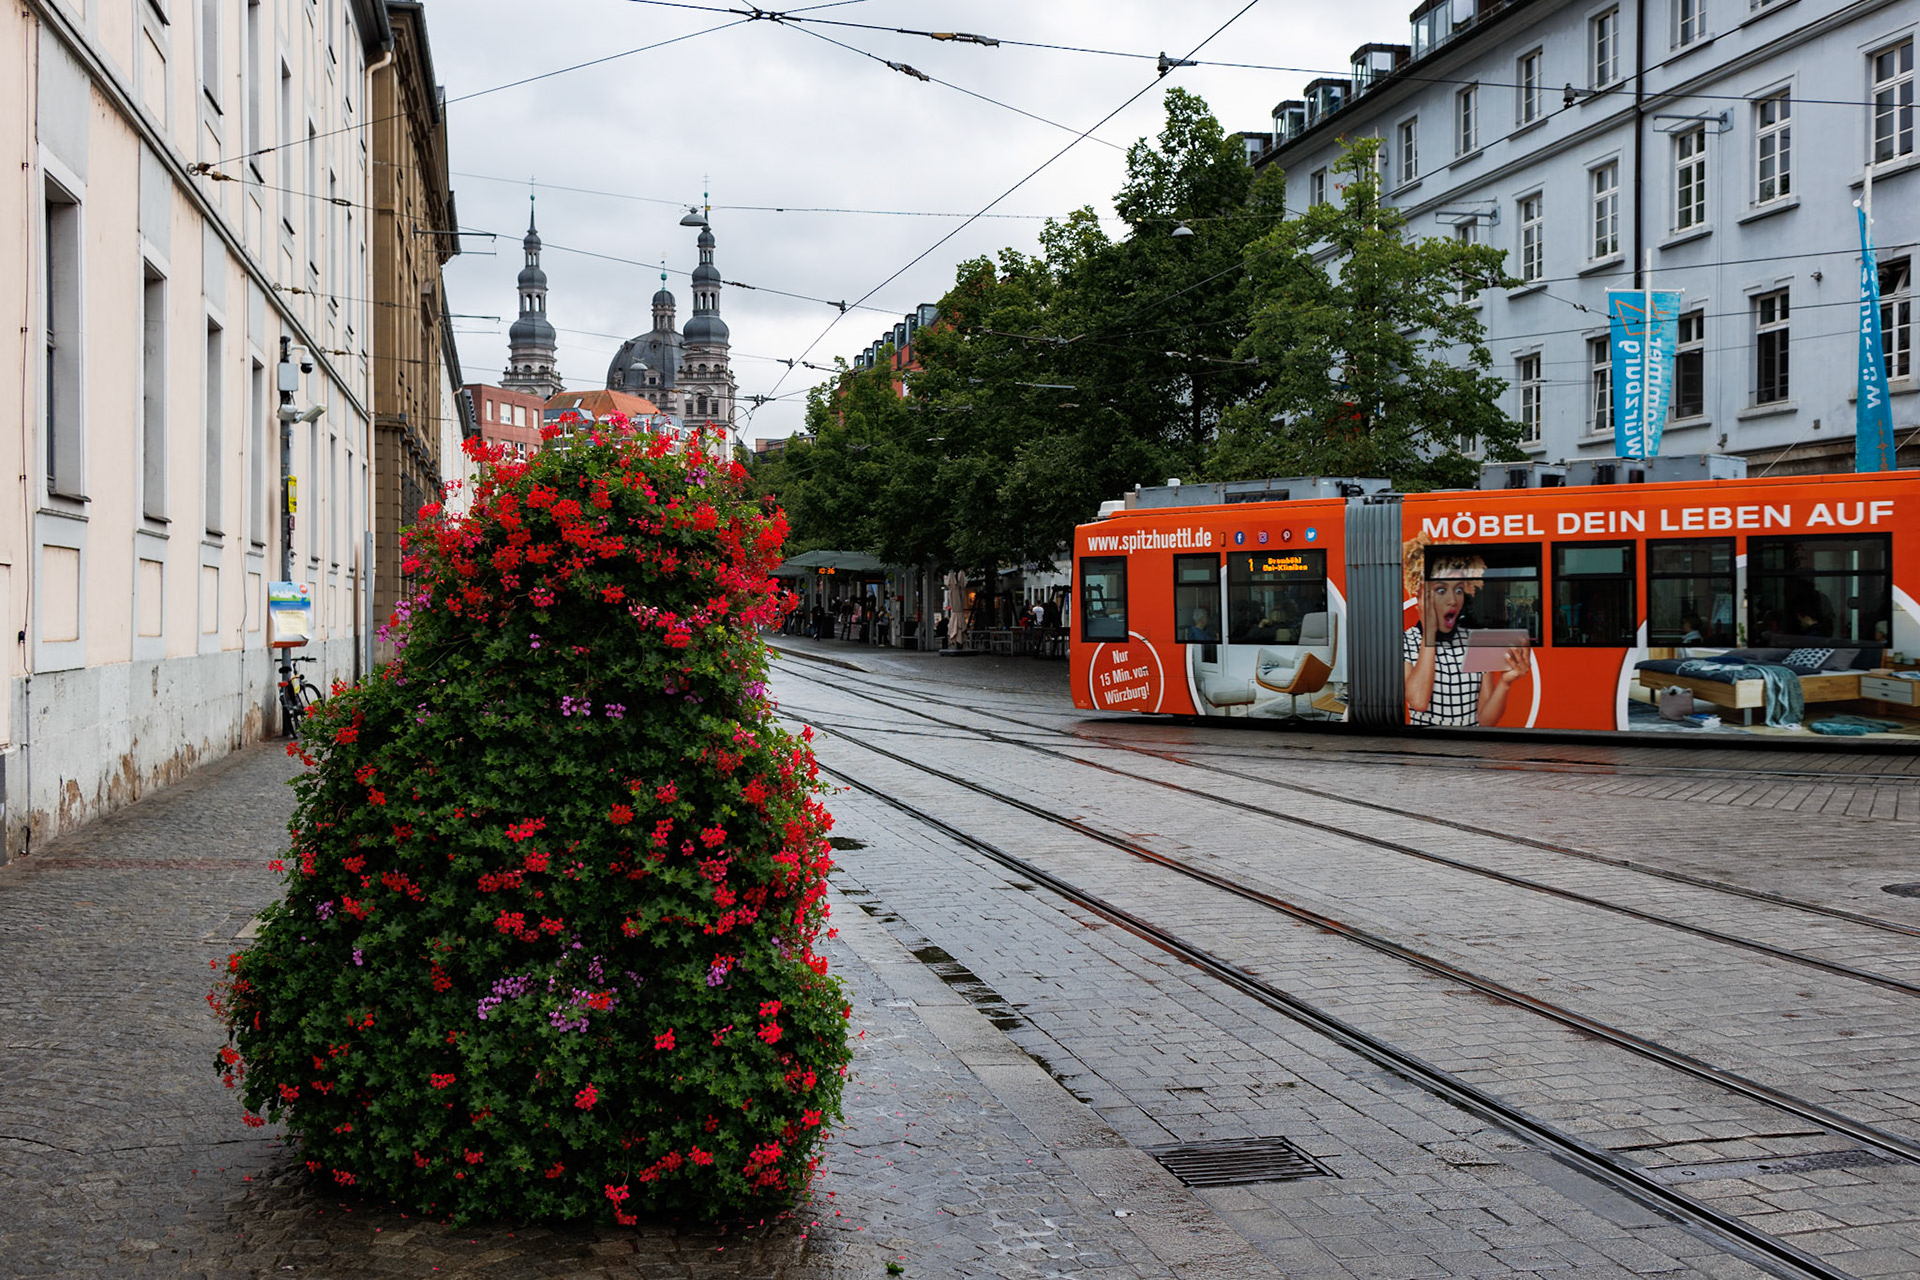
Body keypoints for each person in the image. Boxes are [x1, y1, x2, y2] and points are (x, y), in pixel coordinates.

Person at [1403, 553, 1526, 727]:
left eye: (1459, 590)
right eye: (1441, 590)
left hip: (1470, 746)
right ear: (1420, 596)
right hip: (1426, 746)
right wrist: (1429, 634)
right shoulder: (1405, 641)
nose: (1453, 601)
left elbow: (1486, 721)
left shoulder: (1475, 639)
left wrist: (1505, 683)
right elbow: (1418, 702)